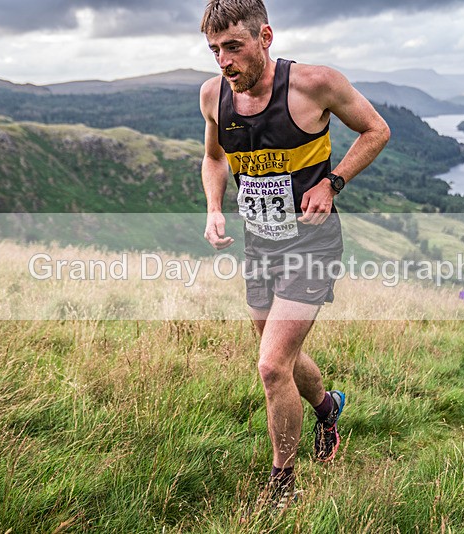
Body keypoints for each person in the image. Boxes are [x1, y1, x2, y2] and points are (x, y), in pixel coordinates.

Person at [199, 0, 390, 511]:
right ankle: (329, 410)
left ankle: (282, 485)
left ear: (265, 36)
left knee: (269, 367)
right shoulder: (213, 95)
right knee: (279, 358)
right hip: (260, 244)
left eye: (233, 47)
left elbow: (376, 130)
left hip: (312, 244)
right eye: (215, 50)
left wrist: (333, 182)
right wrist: (215, 207)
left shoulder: (315, 83)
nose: (224, 61)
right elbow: (215, 157)